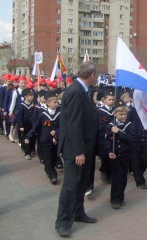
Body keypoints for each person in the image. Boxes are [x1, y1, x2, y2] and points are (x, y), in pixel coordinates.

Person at [55, 62, 99, 237]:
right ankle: (63, 222)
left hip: (85, 148)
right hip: (76, 150)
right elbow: (73, 124)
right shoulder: (75, 92)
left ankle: (78, 213)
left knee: (82, 184)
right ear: (92, 75)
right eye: (96, 76)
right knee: (71, 186)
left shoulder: (83, 91)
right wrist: (79, 151)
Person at [26, 91, 60, 183]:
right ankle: (53, 175)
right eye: (54, 102)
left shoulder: (60, 114)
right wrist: (28, 137)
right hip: (46, 140)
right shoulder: (43, 115)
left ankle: (49, 169)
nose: (56, 104)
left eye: (57, 102)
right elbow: (36, 127)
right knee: (47, 158)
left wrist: (56, 132)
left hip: (56, 140)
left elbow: (63, 126)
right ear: (48, 103)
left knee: (54, 158)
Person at [105, 103, 134, 208]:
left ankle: (121, 197)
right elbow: (107, 140)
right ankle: (114, 199)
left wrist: (118, 132)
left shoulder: (129, 125)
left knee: (123, 177)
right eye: (120, 114)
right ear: (115, 114)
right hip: (115, 155)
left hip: (125, 154)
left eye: (125, 114)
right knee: (117, 177)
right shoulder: (110, 126)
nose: (123, 116)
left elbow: (130, 138)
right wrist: (109, 151)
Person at [18, 89, 35, 160]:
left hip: (32, 123)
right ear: (25, 97)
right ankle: (27, 152)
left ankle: (32, 149)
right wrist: (21, 126)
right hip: (25, 124)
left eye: (32, 95)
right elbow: (20, 117)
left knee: (32, 137)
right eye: (30, 95)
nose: (31, 97)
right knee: (26, 137)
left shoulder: (33, 104)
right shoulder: (22, 105)